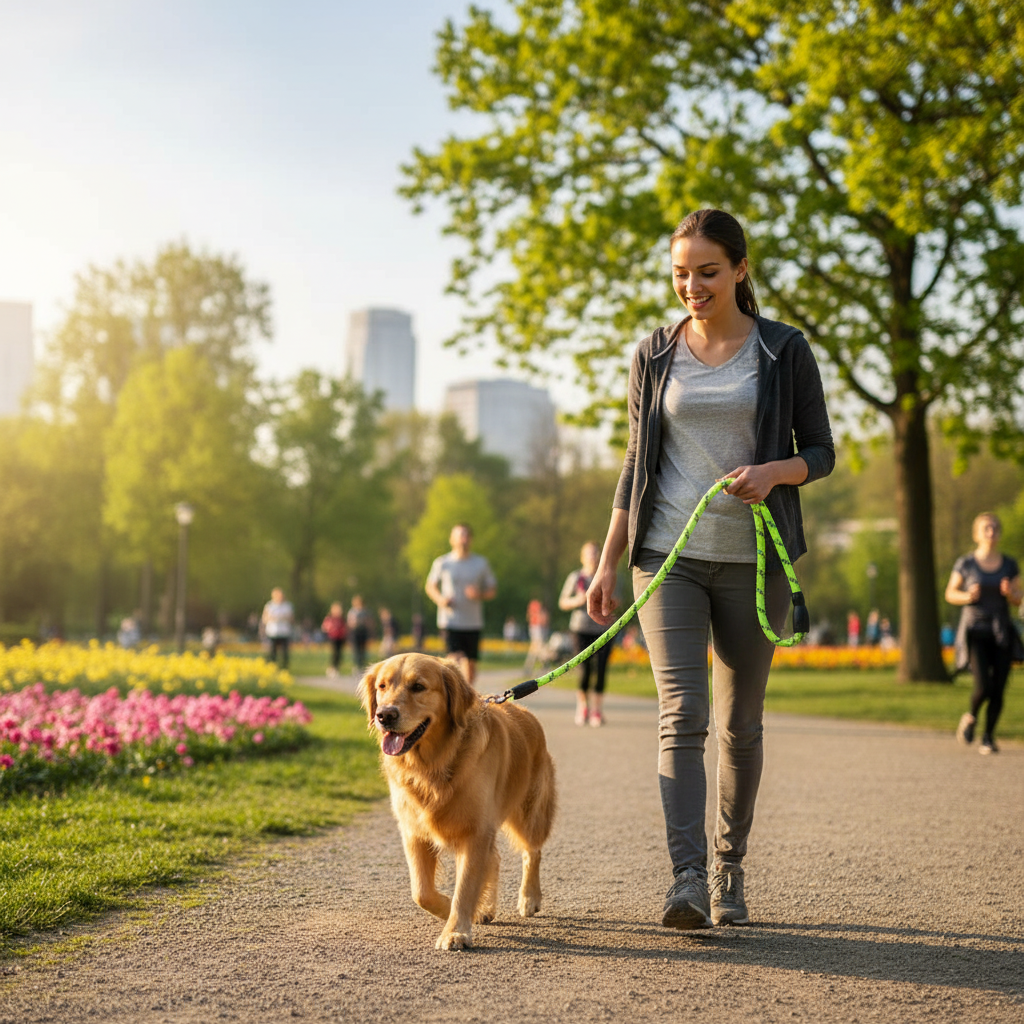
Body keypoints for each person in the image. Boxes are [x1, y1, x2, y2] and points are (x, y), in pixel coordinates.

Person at [587, 209, 834, 931]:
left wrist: (773, 472)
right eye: (680, 273)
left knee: (740, 726)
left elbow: (820, 452)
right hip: (669, 556)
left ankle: (730, 862)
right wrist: (609, 561)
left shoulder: (783, 350)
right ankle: (686, 879)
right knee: (682, 713)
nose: (691, 286)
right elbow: (636, 461)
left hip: (756, 561)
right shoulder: (654, 354)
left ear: (740, 270)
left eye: (707, 271)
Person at [945, 512, 1023, 755]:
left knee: (999, 687)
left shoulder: (1010, 565)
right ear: (976, 533)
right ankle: (970, 717)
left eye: (995, 528)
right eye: (986, 528)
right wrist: (967, 596)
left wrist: (1011, 593)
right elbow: (950, 593)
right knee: (983, 685)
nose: (991, 532)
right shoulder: (966, 564)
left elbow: (1020, 600)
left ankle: (988, 737)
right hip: (975, 631)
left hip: (1000, 631)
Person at [424, 523, 498, 685]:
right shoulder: (442, 563)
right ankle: (453, 695)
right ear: (452, 539)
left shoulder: (481, 563)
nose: (463, 539)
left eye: (466, 535)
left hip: (472, 621)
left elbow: (492, 590)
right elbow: (430, 586)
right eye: (459, 535)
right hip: (450, 620)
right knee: (454, 659)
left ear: (470, 539)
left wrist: (478, 594)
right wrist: (441, 600)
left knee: (470, 664)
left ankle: (467, 697)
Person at [559, 542, 613, 727]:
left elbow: (618, 600)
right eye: (588, 553)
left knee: (601, 670)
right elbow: (563, 602)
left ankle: (597, 711)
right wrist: (578, 600)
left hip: (604, 630)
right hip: (580, 629)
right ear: (582, 557)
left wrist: (605, 601)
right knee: (584, 670)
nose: (592, 556)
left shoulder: (608, 576)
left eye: (595, 553)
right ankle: (583, 707)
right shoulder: (576, 577)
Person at [261, 587, 294, 669]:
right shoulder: (269, 606)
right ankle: (272, 666)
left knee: (284, 652)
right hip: (273, 632)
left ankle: (284, 667)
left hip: (284, 632)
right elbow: (264, 619)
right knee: (272, 651)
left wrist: (283, 618)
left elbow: (291, 618)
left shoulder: (287, 606)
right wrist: (273, 618)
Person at [524, 599, 551, 674]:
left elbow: (528, 616)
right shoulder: (536, 605)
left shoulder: (533, 604)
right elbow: (542, 618)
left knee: (535, 648)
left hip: (536, 627)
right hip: (537, 627)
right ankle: (545, 664)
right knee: (539, 647)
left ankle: (529, 668)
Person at [321, 601, 347, 677]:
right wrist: (330, 628)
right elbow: (324, 627)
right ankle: (332, 667)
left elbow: (344, 627)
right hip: (333, 637)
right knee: (334, 653)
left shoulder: (341, 619)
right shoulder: (330, 618)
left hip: (340, 638)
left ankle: (337, 668)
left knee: (339, 654)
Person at [347, 595, 371, 674]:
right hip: (355, 631)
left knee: (362, 649)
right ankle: (357, 666)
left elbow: (368, 621)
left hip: (363, 631)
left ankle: (362, 665)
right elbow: (349, 622)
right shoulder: (352, 611)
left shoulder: (365, 611)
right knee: (356, 649)